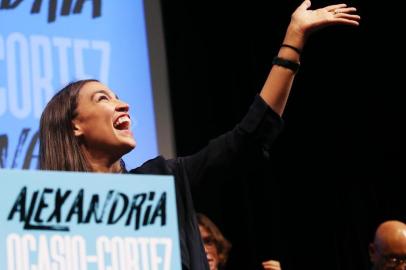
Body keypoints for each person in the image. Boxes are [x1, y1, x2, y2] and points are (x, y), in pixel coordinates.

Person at [39, 1, 360, 269]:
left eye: (117, 95)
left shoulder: (162, 180)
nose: (123, 104)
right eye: (103, 99)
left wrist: (293, 41)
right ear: (75, 126)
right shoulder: (43, 217)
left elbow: (247, 139)